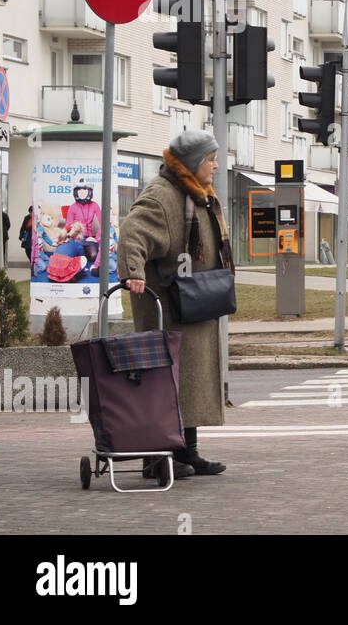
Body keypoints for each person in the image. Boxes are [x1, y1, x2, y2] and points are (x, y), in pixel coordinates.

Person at [119, 130, 234, 478]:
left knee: (191, 383)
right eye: (210, 158)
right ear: (193, 162)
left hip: (196, 302)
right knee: (167, 382)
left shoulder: (196, 193)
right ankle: (156, 458)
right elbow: (131, 232)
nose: (215, 164)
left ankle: (189, 452)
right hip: (168, 307)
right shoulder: (161, 196)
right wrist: (133, 271)